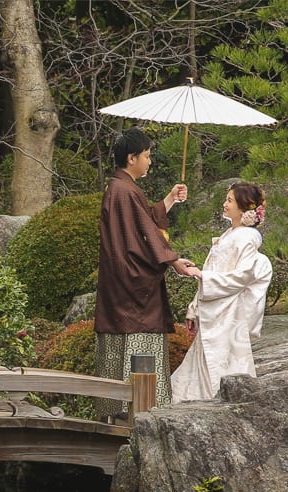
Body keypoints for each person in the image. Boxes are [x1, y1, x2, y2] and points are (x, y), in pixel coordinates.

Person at [94, 127, 195, 420]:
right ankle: (141, 412)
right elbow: (145, 238)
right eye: (147, 156)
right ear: (132, 157)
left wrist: (169, 200)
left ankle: (115, 410)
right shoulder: (125, 191)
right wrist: (173, 260)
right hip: (134, 291)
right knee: (141, 347)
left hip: (118, 286)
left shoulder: (120, 189)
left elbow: (143, 223)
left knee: (120, 346)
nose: (150, 162)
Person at [171, 182, 273, 404]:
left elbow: (242, 276)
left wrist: (204, 277)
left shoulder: (246, 238)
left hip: (228, 313)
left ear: (244, 207)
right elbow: (213, 270)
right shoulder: (230, 234)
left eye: (230, 200)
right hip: (214, 309)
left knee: (222, 362)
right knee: (207, 361)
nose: (224, 204)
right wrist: (193, 309)